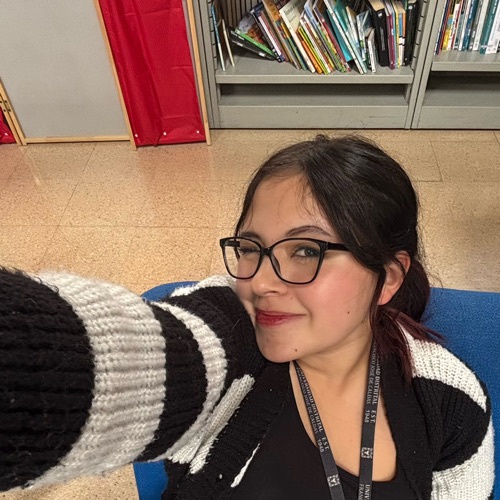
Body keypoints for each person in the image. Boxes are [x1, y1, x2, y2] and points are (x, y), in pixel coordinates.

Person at [0, 135, 493, 500]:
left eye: (306, 250)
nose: (259, 283)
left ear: (387, 278)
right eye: (250, 248)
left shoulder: (449, 397)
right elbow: (75, 372)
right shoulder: (231, 337)